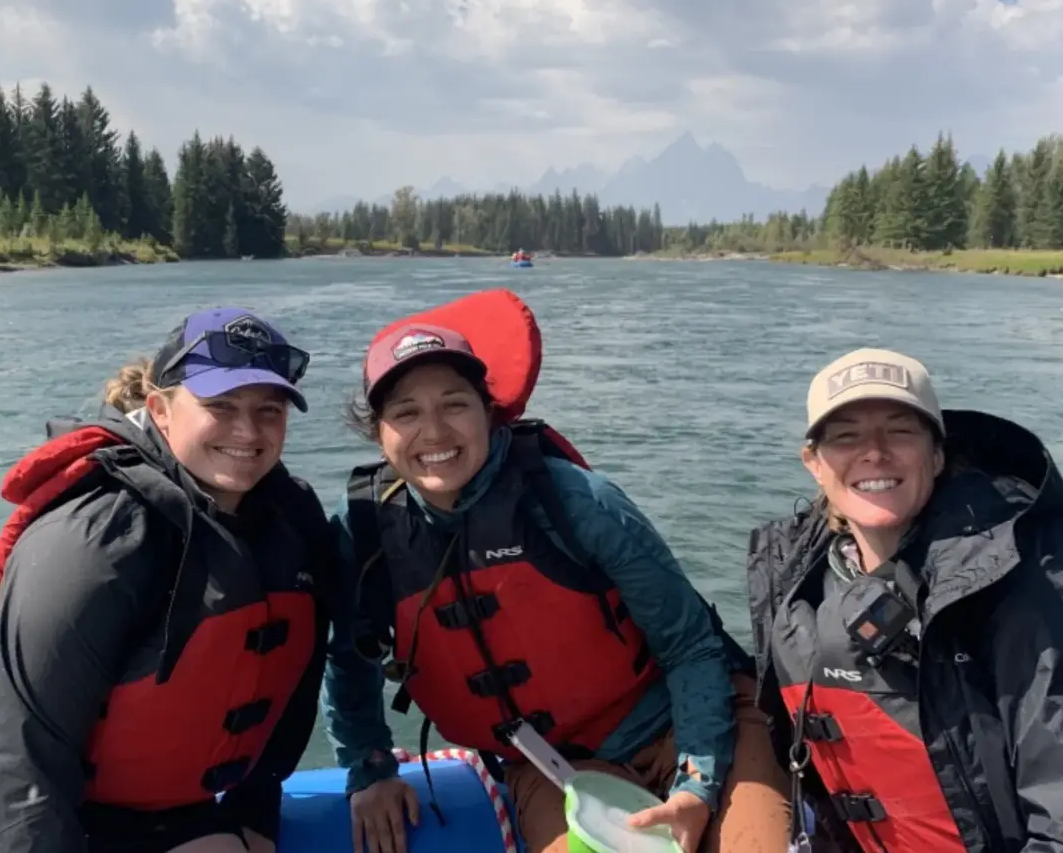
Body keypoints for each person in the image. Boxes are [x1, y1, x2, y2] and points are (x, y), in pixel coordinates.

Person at [745, 348, 1063, 853]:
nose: (874, 452)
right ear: (814, 462)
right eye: (846, 436)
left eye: (900, 431)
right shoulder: (798, 574)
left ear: (937, 452)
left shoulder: (1030, 567)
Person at [323, 321, 793, 853]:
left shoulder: (574, 500)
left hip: (683, 729)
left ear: (488, 412)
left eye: (455, 404)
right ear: (378, 431)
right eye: (406, 413)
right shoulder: (365, 529)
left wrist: (698, 782)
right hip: (554, 768)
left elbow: (690, 643)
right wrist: (370, 767)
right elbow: (348, 658)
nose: (433, 432)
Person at [0, 308, 339, 853]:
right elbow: (19, 756)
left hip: (155, 817)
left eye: (268, 411)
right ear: (161, 409)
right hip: (0, 826)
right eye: (219, 407)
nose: (247, 431)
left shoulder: (290, 517)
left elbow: (294, 680)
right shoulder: (96, 536)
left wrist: (255, 811)